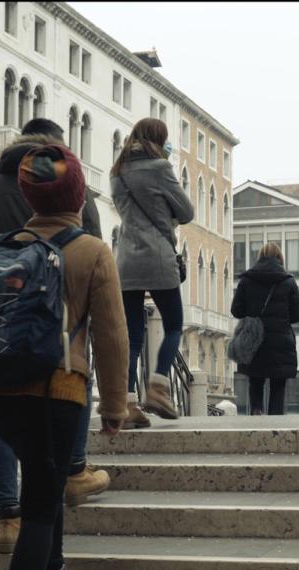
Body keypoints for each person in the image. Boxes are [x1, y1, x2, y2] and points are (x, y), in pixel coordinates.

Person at [0, 143, 128, 570]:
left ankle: (54, 567)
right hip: (56, 392)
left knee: (44, 486)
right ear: (78, 197)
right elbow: (111, 337)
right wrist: (114, 406)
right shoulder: (93, 252)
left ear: (29, 195)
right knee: (40, 504)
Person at [111, 118, 193, 424]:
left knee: (132, 336)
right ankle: (158, 386)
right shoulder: (160, 168)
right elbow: (186, 212)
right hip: (158, 255)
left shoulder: (116, 170)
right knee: (173, 325)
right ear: (159, 140)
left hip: (127, 259)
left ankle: (128, 403)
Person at [231, 243, 299, 415]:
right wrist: (282, 320)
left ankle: (256, 413)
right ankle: (275, 420)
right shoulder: (288, 281)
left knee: (255, 380)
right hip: (280, 341)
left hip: (253, 341)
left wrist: (252, 315)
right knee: (278, 384)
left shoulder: (246, 280)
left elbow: (236, 310)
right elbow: (298, 314)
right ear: (280, 258)